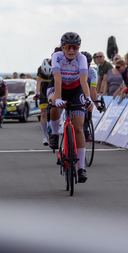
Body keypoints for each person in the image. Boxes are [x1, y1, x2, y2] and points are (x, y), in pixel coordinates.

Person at [48, 32, 93, 183]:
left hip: (75, 90)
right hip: (61, 87)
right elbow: (57, 78)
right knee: (53, 104)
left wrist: (88, 99)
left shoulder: (82, 58)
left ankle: (81, 167)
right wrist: (59, 98)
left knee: (78, 127)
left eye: (75, 47)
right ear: (63, 47)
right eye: (68, 47)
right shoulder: (57, 57)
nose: (72, 50)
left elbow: (84, 80)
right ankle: (54, 135)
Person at [36, 58, 53, 145]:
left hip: (52, 89)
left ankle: (54, 132)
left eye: (48, 75)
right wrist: (37, 94)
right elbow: (38, 83)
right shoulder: (40, 69)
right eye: (45, 75)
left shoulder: (55, 68)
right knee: (43, 113)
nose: (47, 76)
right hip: (43, 90)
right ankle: (45, 137)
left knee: (54, 111)